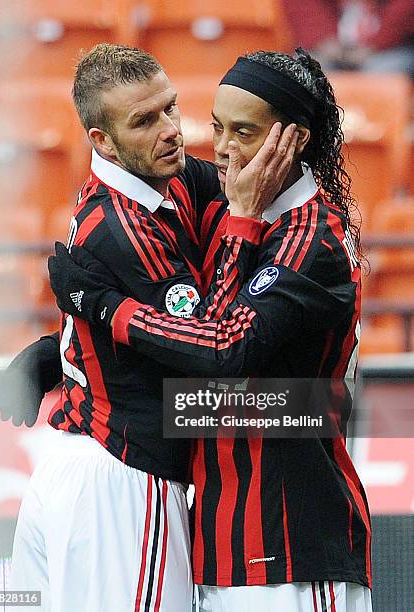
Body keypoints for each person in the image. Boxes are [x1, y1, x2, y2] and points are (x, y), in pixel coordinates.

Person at [48, 51, 372, 611]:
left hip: (293, 547)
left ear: (292, 141)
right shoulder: (229, 201)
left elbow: (224, 351)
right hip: (220, 549)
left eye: (243, 133)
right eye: (217, 127)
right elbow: (211, 396)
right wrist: (66, 354)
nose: (217, 148)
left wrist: (106, 313)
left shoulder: (311, 239)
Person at [0, 43, 295, 612]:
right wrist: (245, 220)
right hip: (121, 480)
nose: (171, 131)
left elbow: (251, 184)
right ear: (100, 141)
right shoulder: (123, 227)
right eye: (144, 120)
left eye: (170, 109)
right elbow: (214, 349)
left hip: (77, 468)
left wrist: (63, 340)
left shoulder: (167, 180)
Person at [283, 0, 414, 77]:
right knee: (302, 68)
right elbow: (303, 6)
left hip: (386, 50)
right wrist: (323, 40)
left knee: (384, 73)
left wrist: (376, 44)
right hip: (328, 49)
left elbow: (405, 10)